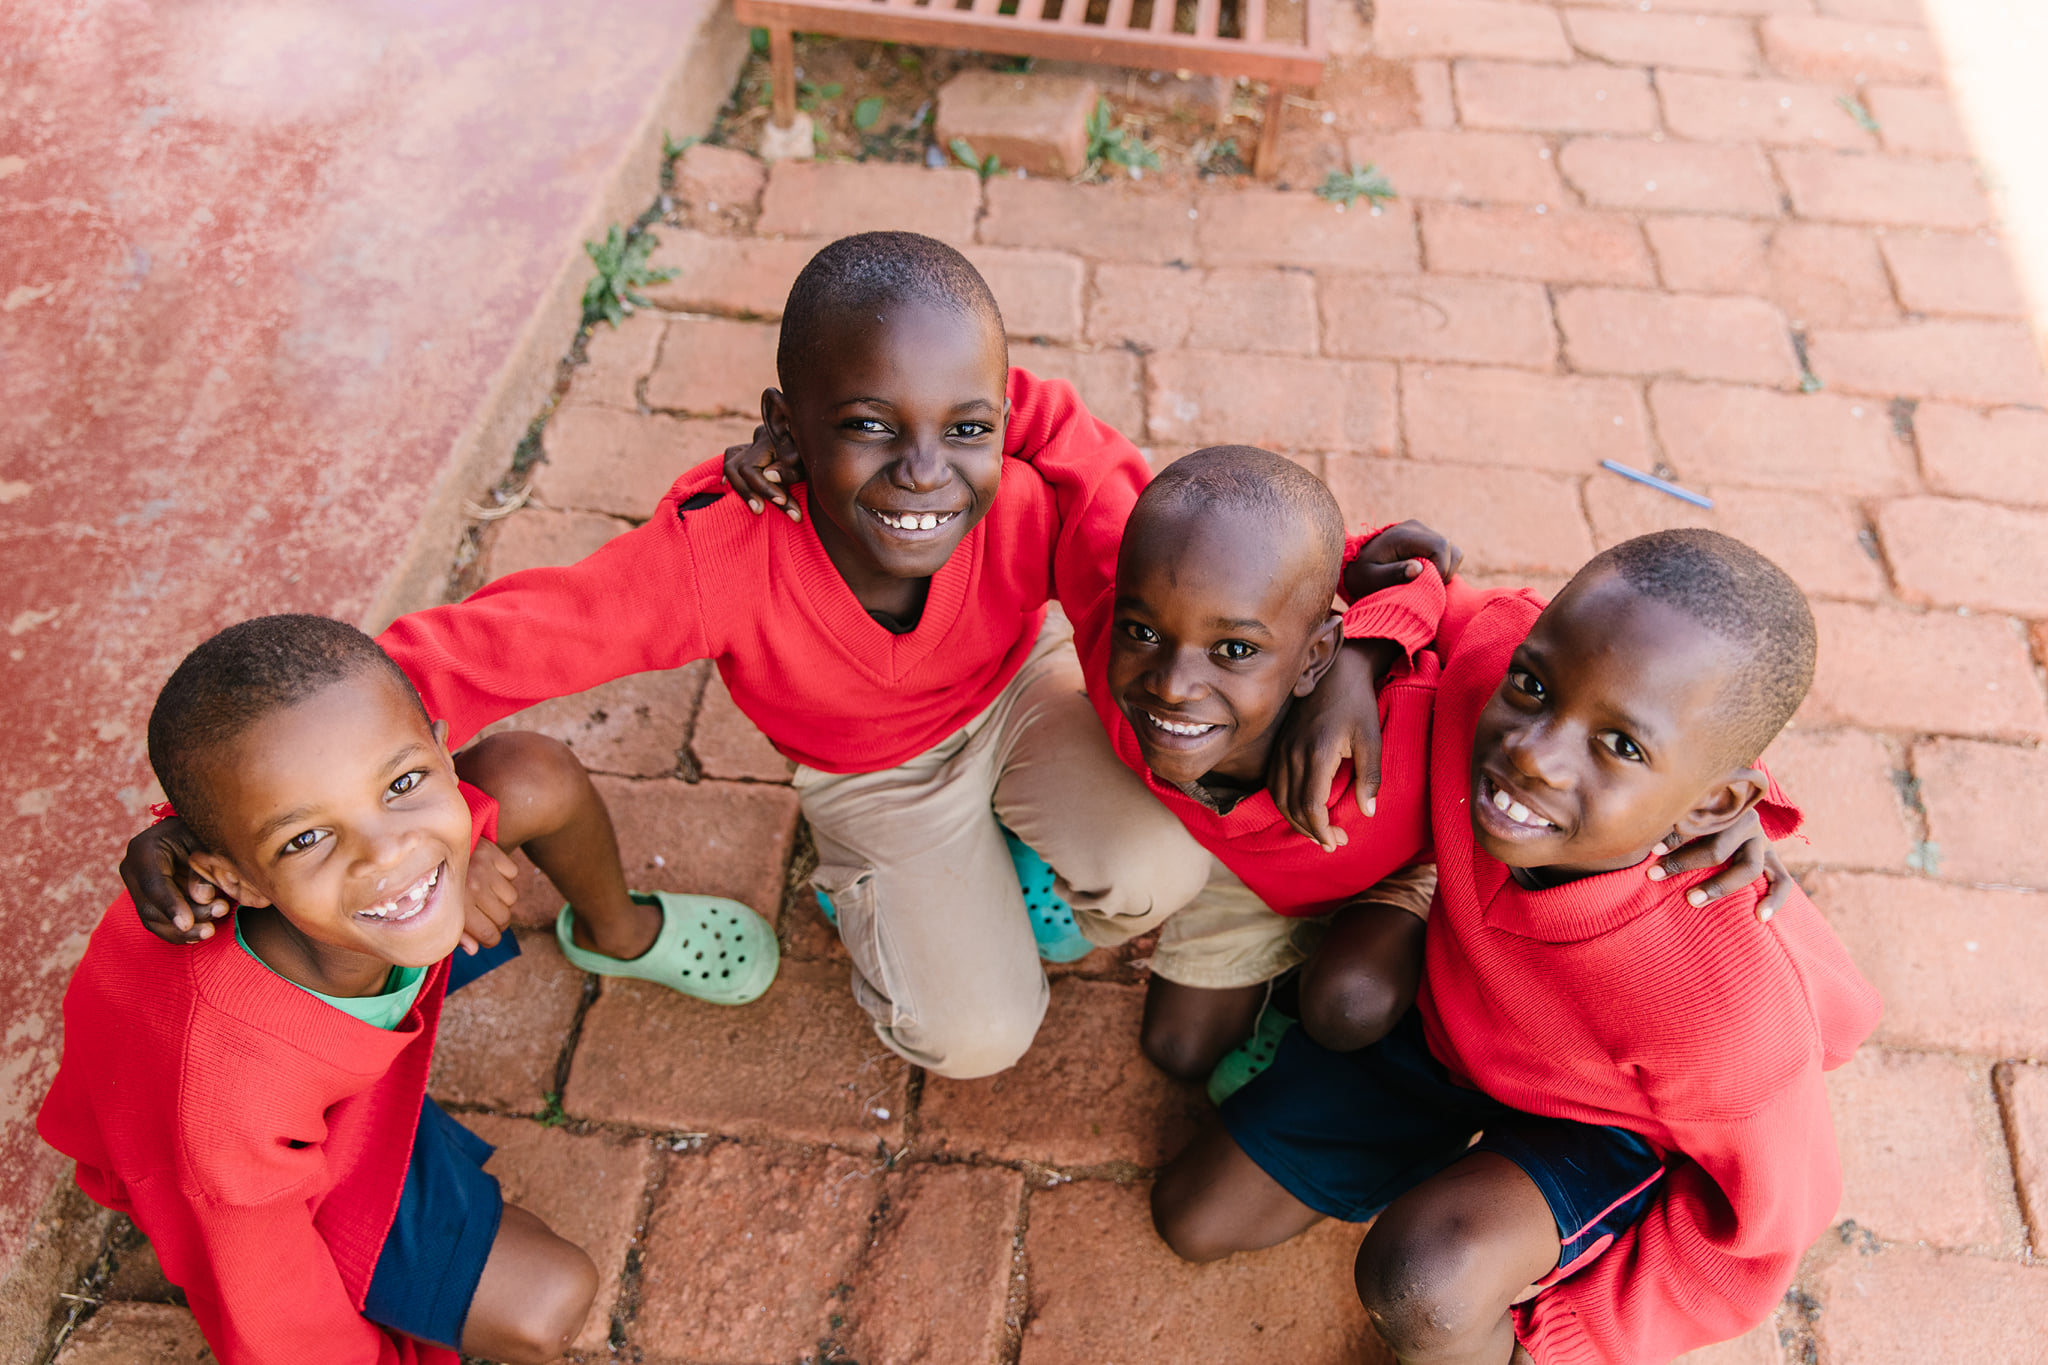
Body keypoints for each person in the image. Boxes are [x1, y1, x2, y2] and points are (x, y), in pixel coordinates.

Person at [127, 231, 1248, 1079]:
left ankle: (999, 875)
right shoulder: (722, 558)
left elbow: (1140, 542)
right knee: (975, 1039)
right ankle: (863, 896)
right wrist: (231, 799)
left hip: (1018, 702)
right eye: (866, 424)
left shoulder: (1028, 484)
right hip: (875, 777)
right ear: (786, 427)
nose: (923, 472)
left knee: (1160, 870)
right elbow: (493, 646)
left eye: (966, 427)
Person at [1150, 529, 1882, 1365]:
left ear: (1714, 802)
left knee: (1426, 1280)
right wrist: (1365, 650)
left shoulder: (1724, 1005)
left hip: (1599, 1121)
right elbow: (1417, 580)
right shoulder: (1502, 661)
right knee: (1192, 1217)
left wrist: (1576, 1337)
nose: (1531, 753)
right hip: (1454, 1026)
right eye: (1533, 686)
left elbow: (1763, 1232)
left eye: (1622, 746)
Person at [39, 615, 745, 1364]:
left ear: (440, 746)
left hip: (336, 965)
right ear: (233, 879)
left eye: (404, 783)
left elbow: (494, 669)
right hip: (290, 1138)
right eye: (305, 838)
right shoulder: (223, 1101)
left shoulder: (364, 848)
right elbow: (274, 1317)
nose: (390, 854)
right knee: (544, 1301)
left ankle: (620, 932)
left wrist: (462, 842)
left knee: (529, 773)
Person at [1077, 448, 1785, 1099]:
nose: (1172, 685)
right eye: (1144, 635)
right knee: (1177, 1049)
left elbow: (1435, 581)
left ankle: (1307, 1000)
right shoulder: (1125, 654)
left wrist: (1741, 802)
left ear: (1317, 649)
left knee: (1346, 1001)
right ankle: (1283, 972)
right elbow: (1105, 487)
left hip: (1401, 867)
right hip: (1250, 874)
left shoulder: (1407, 713)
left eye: (1232, 647)